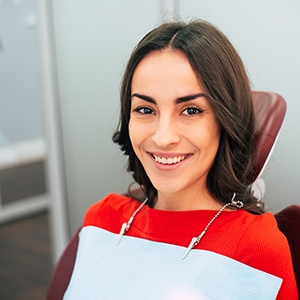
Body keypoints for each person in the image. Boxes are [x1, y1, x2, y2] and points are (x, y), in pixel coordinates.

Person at [63, 20, 298, 299]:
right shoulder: (103, 217)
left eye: (190, 111)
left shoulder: (255, 247)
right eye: (145, 109)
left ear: (226, 121)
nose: (163, 138)